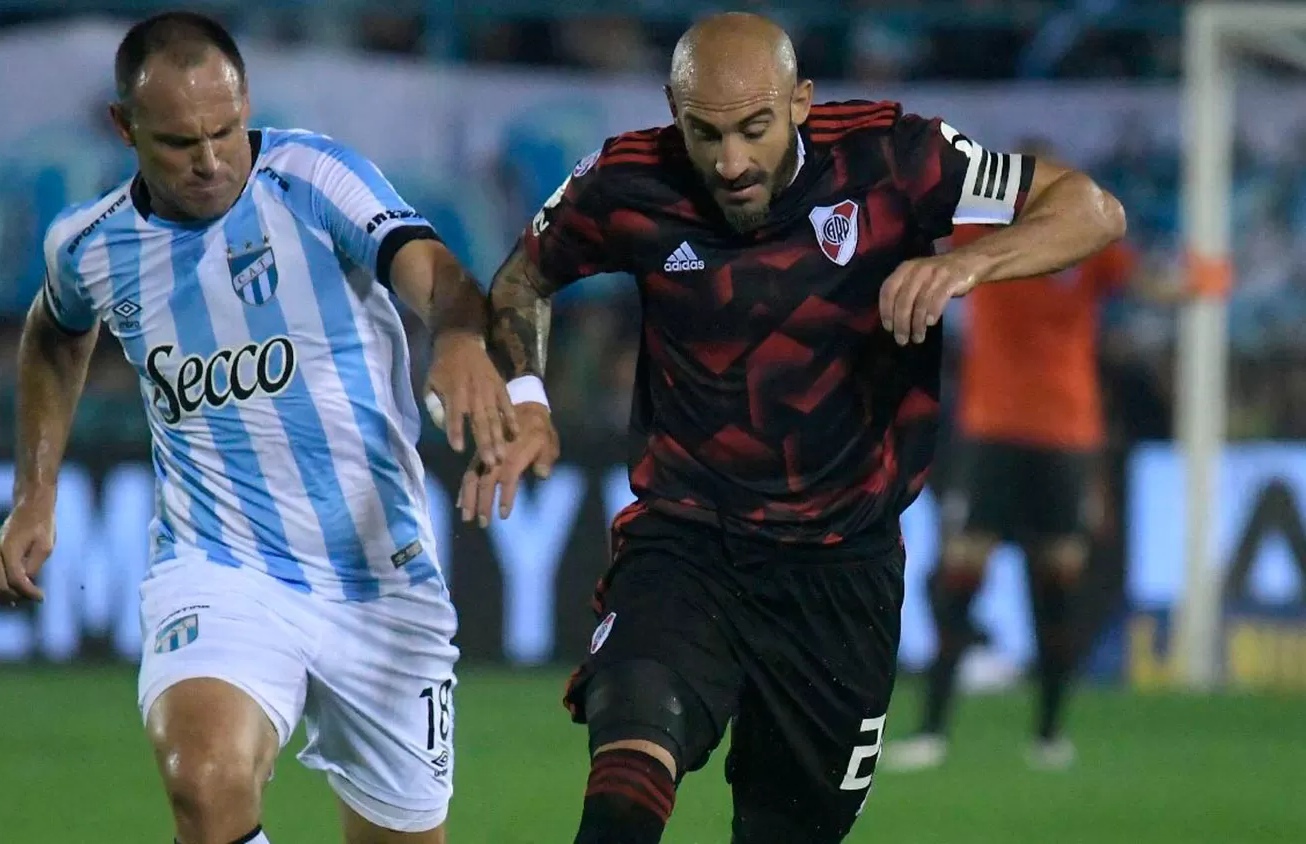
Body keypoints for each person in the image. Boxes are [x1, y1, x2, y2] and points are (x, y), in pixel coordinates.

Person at [459, 13, 1126, 844]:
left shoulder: (896, 159)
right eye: (703, 132)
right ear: (673, 109)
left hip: (842, 576)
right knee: (622, 794)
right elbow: (524, 276)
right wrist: (527, 393)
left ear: (801, 101)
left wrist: (965, 261)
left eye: (754, 129)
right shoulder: (629, 179)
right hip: (687, 546)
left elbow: (1092, 209)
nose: (730, 162)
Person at [0, 12, 517, 844]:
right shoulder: (91, 245)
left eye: (225, 130)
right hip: (219, 567)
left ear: (246, 104)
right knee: (204, 783)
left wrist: (457, 344)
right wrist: (35, 491)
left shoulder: (312, 178)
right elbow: (55, 330)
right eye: (178, 142)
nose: (209, 160)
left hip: (379, 574)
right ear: (125, 127)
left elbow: (441, 276)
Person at [883, 137, 1149, 773]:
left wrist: (1203, 279)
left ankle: (1050, 733)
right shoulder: (981, 229)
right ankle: (932, 731)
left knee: (1056, 579)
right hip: (991, 426)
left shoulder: (1087, 243)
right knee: (960, 573)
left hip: (1067, 432)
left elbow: (1139, 277)